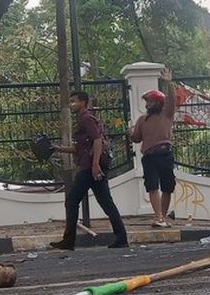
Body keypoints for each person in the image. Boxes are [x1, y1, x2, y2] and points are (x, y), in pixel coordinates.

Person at [49, 91, 128, 250]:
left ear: (83, 102)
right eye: (70, 101)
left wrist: (95, 165)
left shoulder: (86, 118)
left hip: (90, 168)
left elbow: (97, 140)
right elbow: (79, 149)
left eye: (74, 101)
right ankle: (121, 237)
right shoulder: (84, 119)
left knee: (72, 201)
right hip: (90, 166)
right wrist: (57, 148)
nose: (71, 104)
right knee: (106, 203)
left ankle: (69, 241)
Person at [130, 69, 176, 228]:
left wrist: (168, 82)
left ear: (158, 102)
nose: (147, 104)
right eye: (146, 101)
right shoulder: (142, 119)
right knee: (152, 186)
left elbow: (172, 100)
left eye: (150, 101)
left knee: (167, 187)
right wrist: (130, 133)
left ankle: (162, 216)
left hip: (165, 154)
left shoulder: (166, 114)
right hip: (149, 156)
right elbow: (137, 138)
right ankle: (158, 217)